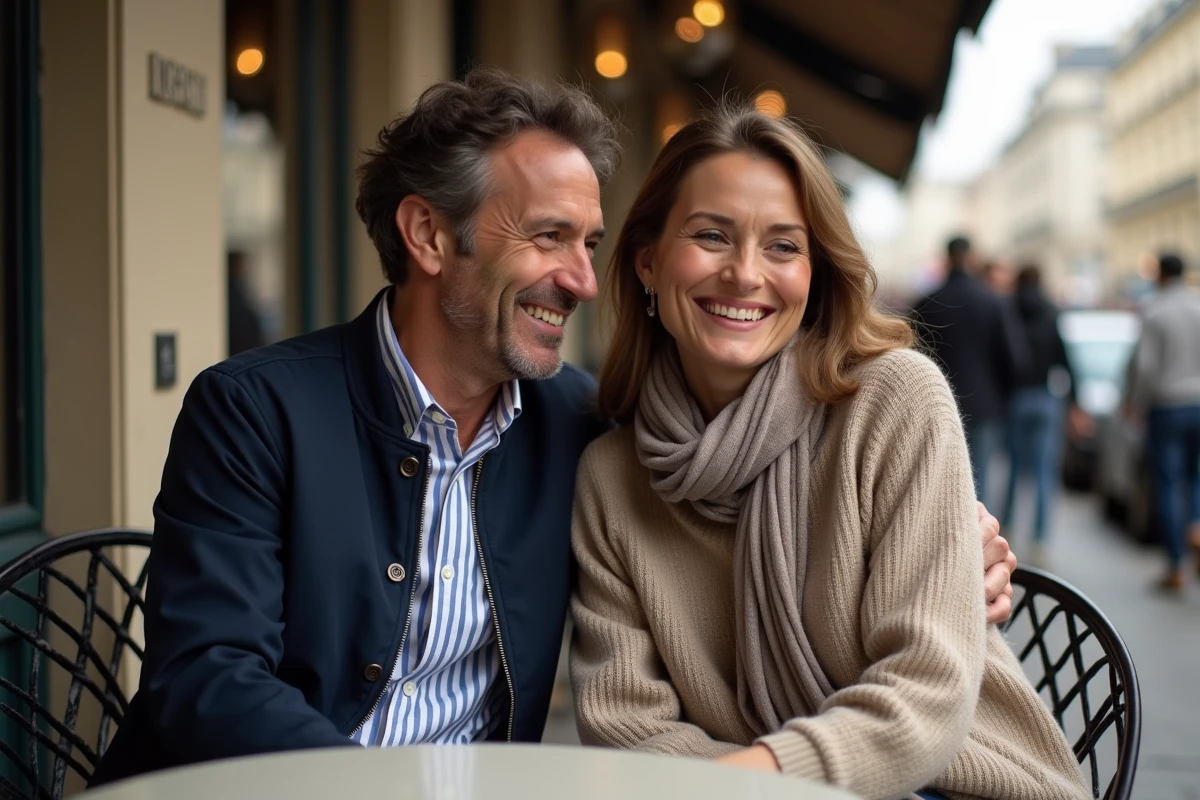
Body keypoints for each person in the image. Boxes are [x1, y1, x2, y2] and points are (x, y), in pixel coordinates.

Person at [91, 69, 1016, 785]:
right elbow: (206, 677)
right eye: (546, 237)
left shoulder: (580, 428)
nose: (579, 279)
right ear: (426, 235)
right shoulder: (255, 409)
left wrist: (953, 545)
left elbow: (744, 502)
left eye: (588, 243)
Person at [570, 104, 1085, 800]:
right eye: (711, 235)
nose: (746, 273)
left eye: (784, 246)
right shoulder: (611, 477)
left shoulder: (895, 400)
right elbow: (624, 724)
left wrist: (758, 779)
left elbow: (926, 692)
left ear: (815, 276)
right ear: (649, 263)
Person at [912, 237, 1027, 504]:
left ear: (948, 257)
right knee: (978, 484)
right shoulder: (994, 302)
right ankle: (974, 543)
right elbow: (1015, 360)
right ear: (972, 258)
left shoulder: (927, 303)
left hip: (934, 405)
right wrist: (1001, 398)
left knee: (937, 482)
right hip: (984, 406)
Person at [1127, 253, 1200, 592]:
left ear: (1160, 276)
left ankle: (1175, 565)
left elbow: (1145, 366)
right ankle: (1197, 527)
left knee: (1169, 484)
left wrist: (1135, 403)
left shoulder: (1155, 310)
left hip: (1167, 406)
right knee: (1196, 477)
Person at [1001, 264, 1081, 566]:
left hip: (1015, 398)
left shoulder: (1008, 310)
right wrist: (1075, 402)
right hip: (1047, 398)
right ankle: (1039, 539)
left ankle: (1005, 529)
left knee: (1013, 468)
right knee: (1045, 472)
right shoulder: (1051, 312)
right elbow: (1066, 359)